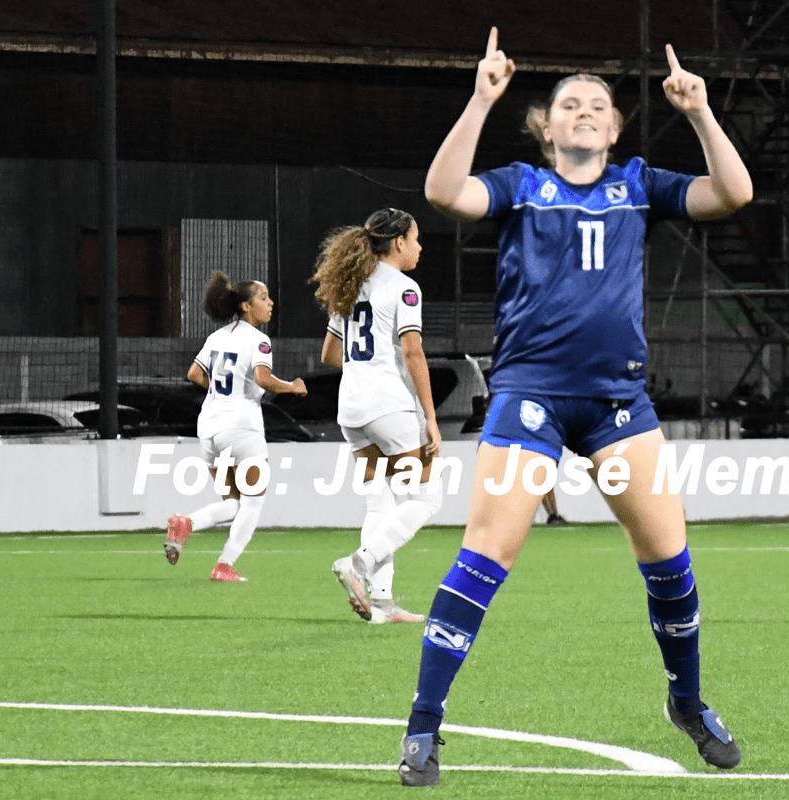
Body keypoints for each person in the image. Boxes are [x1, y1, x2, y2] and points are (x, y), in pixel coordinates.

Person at [396, 28, 752, 786]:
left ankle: (686, 702)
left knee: (669, 562)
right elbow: (441, 193)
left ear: (616, 130)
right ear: (548, 126)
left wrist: (699, 112)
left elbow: (733, 194)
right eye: (569, 104)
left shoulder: (641, 184)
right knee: (486, 556)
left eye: (599, 105)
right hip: (531, 400)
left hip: (617, 406)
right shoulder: (521, 184)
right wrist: (480, 96)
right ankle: (424, 727)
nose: (586, 111)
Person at [309, 207, 443, 625]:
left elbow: (331, 354)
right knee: (427, 498)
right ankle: (359, 565)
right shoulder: (404, 288)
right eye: (416, 239)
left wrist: (365, 373)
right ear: (399, 242)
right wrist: (431, 417)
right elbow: (412, 351)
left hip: (352, 409)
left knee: (379, 502)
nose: (420, 247)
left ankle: (382, 604)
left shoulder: (350, 287)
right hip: (392, 406)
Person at [164, 272, 308, 582]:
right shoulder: (259, 340)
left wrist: (220, 392)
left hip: (210, 427)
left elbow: (193, 374)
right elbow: (262, 378)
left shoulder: (217, 337)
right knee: (254, 502)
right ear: (245, 306)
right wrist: (292, 386)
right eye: (263, 298)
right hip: (242, 427)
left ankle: (184, 523)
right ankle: (224, 565)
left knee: (234, 503)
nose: (270, 303)